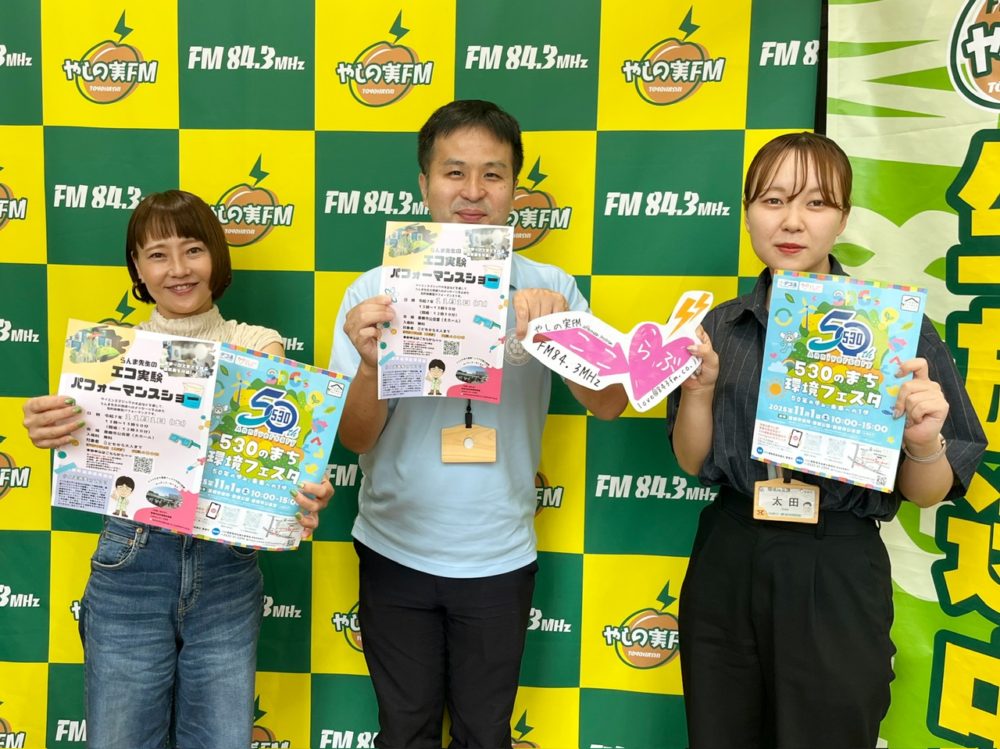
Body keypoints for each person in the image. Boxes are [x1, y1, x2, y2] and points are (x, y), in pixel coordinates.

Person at [667, 132, 987, 749]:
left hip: (835, 560)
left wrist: (922, 441)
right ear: (747, 212)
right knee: (720, 732)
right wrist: (700, 391)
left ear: (843, 218)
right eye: (773, 200)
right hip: (730, 551)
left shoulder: (896, 332)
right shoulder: (720, 327)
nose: (791, 221)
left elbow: (928, 493)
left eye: (816, 203)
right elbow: (693, 459)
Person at [330, 99, 628, 748]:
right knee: (403, 731)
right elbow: (354, 438)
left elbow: (610, 403)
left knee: (485, 735)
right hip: (394, 546)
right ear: (424, 184)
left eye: (492, 174)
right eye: (454, 172)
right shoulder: (371, 294)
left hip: (499, 552)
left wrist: (558, 334)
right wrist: (370, 364)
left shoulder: (549, 287)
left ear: (515, 188)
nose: (472, 191)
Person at [21, 190, 334, 749]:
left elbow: (276, 454)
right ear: (138, 269)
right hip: (130, 566)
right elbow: (84, 454)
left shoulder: (256, 344)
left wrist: (299, 490)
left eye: (193, 249)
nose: (178, 269)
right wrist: (50, 428)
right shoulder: (107, 354)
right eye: (157, 255)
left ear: (216, 255)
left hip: (226, 572)